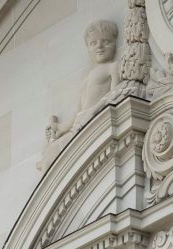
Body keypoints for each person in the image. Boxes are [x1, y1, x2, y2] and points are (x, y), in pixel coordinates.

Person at [39, 21, 120, 171]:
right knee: (52, 153)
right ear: (88, 48)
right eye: (94, 43)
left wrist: (94, 111)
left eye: (105, 41)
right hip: (80, 124)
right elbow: (79, 110)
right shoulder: (87, 76)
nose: (99, 47)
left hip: (92, 122)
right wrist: (60, 127)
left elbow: (114, 96)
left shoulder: (112, 67)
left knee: (55, 155)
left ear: (114, 43)